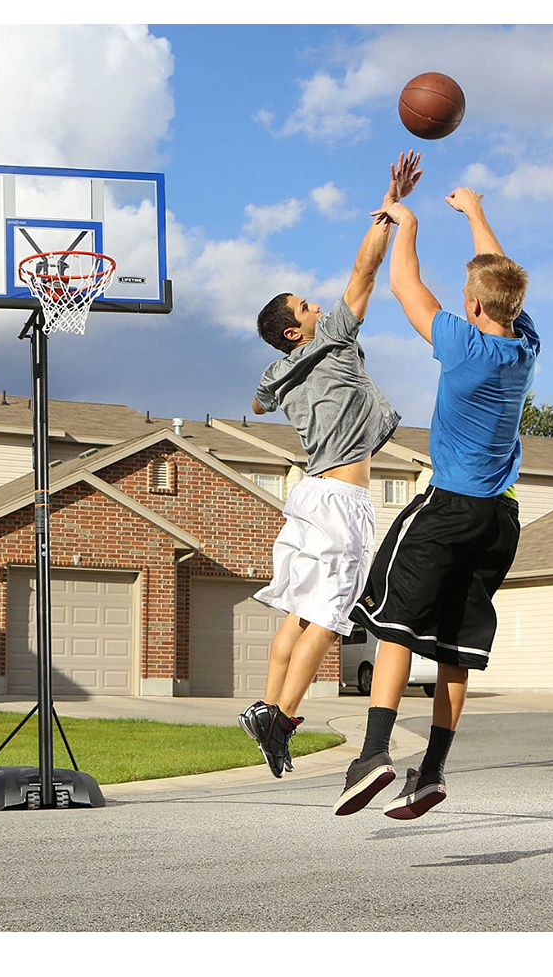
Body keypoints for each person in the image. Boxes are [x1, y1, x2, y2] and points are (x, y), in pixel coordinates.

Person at [333, 187, 538, 819]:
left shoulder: (460, 343)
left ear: (471, 305)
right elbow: (501, 281)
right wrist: (476, 214)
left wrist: (409, 222)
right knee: (453, 649)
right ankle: (433, 771)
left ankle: (372, 754)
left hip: (447, 507)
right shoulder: (524, 347)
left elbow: (403, 284)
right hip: (501, 520)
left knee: (392, 623)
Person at [239, 152, 421, 777]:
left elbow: (257, 400)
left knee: (296, 609)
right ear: (296, 331)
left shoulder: (280, 372)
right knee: (329, 614)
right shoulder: (330, 341)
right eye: (306, 307)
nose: (318, 307)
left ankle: (266, 706)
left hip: (306, 497)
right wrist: (388, 209)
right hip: (340, 500)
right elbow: (363, 271)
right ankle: (282, 716)